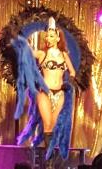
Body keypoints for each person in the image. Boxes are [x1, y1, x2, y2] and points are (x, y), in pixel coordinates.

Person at [32, 17, 76, 149]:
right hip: (45, 92)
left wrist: (68, 83)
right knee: (48, 124)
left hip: (60, 93)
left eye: (51, 36)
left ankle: (50, 157)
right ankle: (49, 160)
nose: (48, 39)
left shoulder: (64, 55)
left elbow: (72, 72)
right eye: (47, 36)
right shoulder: (42, 54)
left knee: (54, 125)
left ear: (58, 38)